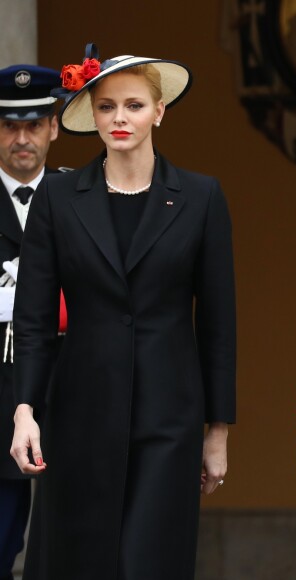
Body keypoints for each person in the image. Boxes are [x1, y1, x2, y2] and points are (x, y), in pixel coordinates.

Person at [10, 44, 236, 580]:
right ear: (92, 115)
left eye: (134, 105)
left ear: (159, 111)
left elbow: (219, 322)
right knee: (79, 561)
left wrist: (217, 430)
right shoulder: (59, 197)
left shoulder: (201, 197)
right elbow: (35, 318)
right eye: (107, 106)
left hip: (170, 416)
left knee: (149, 563)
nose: (119, 118)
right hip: (78, 413)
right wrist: (25, 409)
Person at [0, 63, 63, 580]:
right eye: (9, 125)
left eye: (34, 124)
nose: (22, 138)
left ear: (54, 127)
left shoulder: (81, 194)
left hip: (69, 373)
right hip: (0, 379)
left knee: (72, 530)